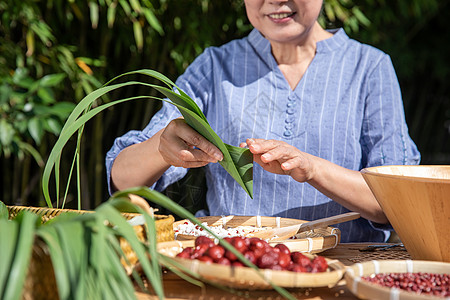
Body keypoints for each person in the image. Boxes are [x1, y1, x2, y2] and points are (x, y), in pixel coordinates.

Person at [106, 0, 420, 242]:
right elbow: (122, 178)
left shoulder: (369, 67)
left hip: (341, 273)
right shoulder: (215, 68)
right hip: (228, 268)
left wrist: (310, 168)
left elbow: (401, 203)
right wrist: (161, 149)